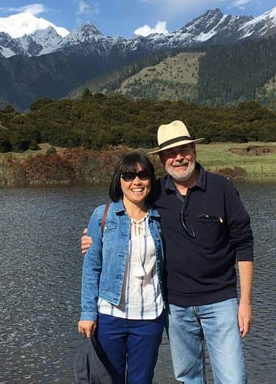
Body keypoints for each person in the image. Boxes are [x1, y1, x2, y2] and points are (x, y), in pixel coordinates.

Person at [84, 120, 254, 384]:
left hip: (221, 302)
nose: (179, 158)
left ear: (194, 151)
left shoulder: (222, 188)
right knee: (188, 378)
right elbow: (126, 215)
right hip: (176, 307)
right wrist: (92, 239)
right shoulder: (157, 192)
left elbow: (243, 243)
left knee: (232, 378)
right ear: (162, 159)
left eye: (184, 150)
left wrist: (245, 302)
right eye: (170, 154)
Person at [79, 151, 166, 384]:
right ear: (119, 180)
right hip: (110, 317)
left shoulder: (160, 218)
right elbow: (91, 268)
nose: (136, 181)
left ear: (151, 180)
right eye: (128, 175)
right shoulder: (103, 216)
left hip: (149, 318)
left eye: (143, 175)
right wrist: (88, 313)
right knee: (108, 379)